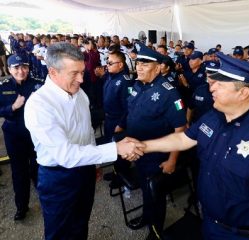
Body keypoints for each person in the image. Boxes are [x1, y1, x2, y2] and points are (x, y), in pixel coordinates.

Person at [140, 53, 249, 239]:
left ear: (243, 93)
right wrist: (142, 146)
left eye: (220, 84)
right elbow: (183, 139)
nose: (212, 87)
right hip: (209, 221)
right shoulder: (214, 115)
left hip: (240, 234)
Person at [24, 42, 144, 240]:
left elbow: (87, 131)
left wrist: (94, 163)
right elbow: (66, 155)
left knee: (81, 223)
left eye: (82, 71)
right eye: (74, 73)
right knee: (60, 232)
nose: (81, 79)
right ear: (53, 72)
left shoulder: (80, 94)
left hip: (85, 168)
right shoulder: (39, 105)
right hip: (59, 177)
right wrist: (115, 149)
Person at [120, 42, 186, 239]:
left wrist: (172, 160)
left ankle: (156, 230)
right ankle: (146, 217)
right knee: (145, 189)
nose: (139, 67)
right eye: (138, 62)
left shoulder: (169, 92)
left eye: (145, 64)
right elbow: (132, 113)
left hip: (157, 155)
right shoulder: (138, 85)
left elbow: (180, 129)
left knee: (155, 194)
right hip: (138, 151)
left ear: (158, 68)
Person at [0, 54, 43, 220]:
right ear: (9, 69)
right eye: (16, 67)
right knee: (19, 172)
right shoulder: (3, 87)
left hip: (35, 135)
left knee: (38, 168)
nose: (21, 71)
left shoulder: (38, 84)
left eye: (24, 67)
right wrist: (12, 107)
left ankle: (45, 198)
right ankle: (22, 207)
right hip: (14, 136)